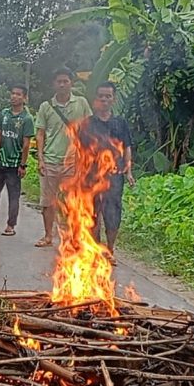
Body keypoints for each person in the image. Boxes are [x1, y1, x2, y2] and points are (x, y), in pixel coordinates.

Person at [77, 81, 134, 263]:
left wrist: (129, 170)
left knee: (113, 214)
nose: (104, 99)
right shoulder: (87, 124)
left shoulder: (120, 123)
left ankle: (110, 250)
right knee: (92, 214)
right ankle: (95, 249)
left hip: (114, 175)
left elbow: (127, 147)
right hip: (91, 176)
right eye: (101, 96)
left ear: (113, 99)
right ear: (96, 99)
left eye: (108, 96)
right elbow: (80, 150)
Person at [34, 67, 92, 248]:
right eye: (59, 81)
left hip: (72, 162)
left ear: (71, 83)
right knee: (47, 203)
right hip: (50, 160)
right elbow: (40, 134)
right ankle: (48, 235)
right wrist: (41, 159)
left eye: (65, 81)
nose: (62, 84)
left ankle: (72, 238)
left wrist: (86, 155)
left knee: (71, 202)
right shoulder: (46, 106)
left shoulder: (81, 103)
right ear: (54, 84)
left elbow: (89, 129)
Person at [0, 84, 34, 237]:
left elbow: (26, 143)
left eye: (18, 94)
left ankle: (11, 225)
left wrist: (23, 164)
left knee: (13, 195)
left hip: (15, 164)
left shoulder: (26, 119)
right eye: (13, 93)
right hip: (0, 161)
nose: (14, 96)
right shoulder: (4, 114)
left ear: (25, 98)